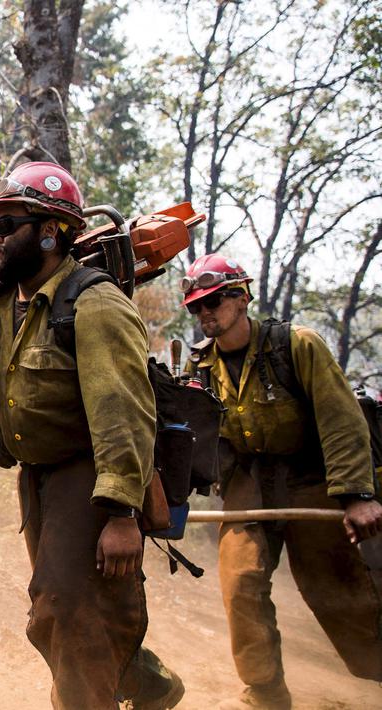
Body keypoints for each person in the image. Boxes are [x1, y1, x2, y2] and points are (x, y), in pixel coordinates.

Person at [0, 162, 183, 709]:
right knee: (67, 611)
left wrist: (120, 515)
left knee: (65, 611)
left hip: (89, 478)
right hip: (37, 481)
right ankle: (149, 685)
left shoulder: (94, 304)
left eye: (8, 223)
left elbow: (125, 414)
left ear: (49, 232)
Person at [181, 254, 382, 709]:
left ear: (241, 296)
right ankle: (266, 696)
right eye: (196, 307)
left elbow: (342, 421)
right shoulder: (201, 369)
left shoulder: (298, 346)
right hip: (248, 483)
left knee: (337, 595)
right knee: (241, 585)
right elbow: (197, 443)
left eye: (213, 300)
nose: (205, 313)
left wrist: (357, 496)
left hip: (312, 478)